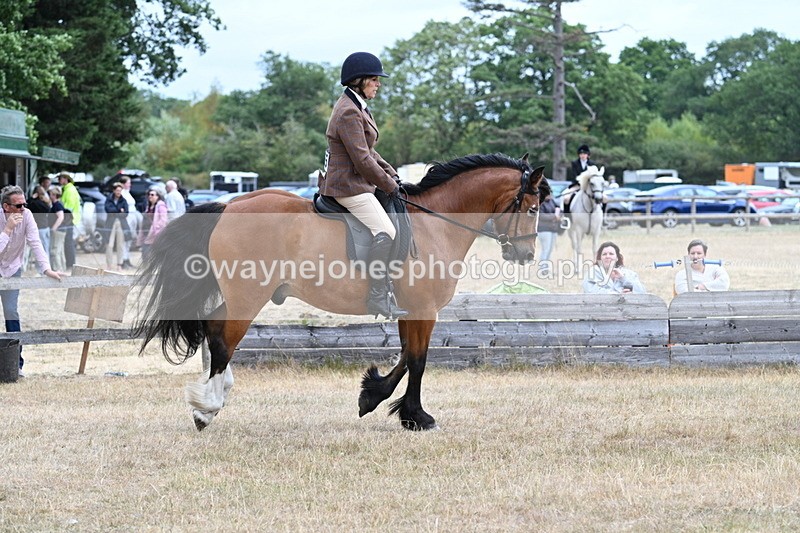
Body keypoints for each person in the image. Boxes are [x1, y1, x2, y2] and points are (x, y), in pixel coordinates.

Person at [318, 51, 407, 319]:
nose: (378, 84)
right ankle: (377, 296)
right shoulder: (348, 112)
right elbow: (362, 160)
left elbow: (370, 151)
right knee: (386, 230)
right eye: (374, 79)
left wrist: (393, 175)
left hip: (354, 181)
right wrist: (389, 186)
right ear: (358, 81)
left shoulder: (356, 106)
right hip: (347, 186)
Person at [0, 185, 63, 375]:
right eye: (18, 206)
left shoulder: (27, 215)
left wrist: (46, 269)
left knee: (11, 312)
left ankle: (16, 364)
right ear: (6, 207)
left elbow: (36, 242)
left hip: (12, 270)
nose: (23, 208)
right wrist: (8, 230)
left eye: (24, 204)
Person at [24, 185, 51, 272]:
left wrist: (32, 198)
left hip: (38, 228)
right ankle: (45, 268)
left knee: (39, 249)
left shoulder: (33, 203)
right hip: (45, 227)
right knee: (44, 249)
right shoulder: (45, 202)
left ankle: (41, 269)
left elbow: (25, 206)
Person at [563, 144, 596, 215]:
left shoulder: (592, 164)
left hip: (589, 186)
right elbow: (574, 176)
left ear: (588, 155)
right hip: (577, 185)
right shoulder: (575, 163)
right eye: (581, 154)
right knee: (566, 198)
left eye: (584, 154)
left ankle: (603, 217)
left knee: (604, 198)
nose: (583, 155)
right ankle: (566, 218)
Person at [104, 182, 130, 270]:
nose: (119, 192)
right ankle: (109, 264)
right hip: (110, 223)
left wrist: (117, 212)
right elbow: (108, 209)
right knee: (109, 244)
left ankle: (119, 264)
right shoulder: (109, 199)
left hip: (120, 223)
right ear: (114, 190)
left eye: (120, 190)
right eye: (117, 190)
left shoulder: (124, 200)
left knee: (120, 244)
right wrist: (119, 210)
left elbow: (126, 213)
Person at [57, 172, 81, 268]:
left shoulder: (70, 190)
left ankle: (70, 264)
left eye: (60, 178)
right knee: (68, 242)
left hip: (69, 219)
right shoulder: (67, 189)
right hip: (68, 219)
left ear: (65, 179)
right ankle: (69, 263)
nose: (59, 180)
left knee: (68, 243)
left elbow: (68, 207)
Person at [137, 186, 168, 260]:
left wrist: (156, 227)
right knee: (145, 250)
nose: (150, 196)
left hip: (155, 233)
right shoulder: (149, 206)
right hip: (146, 231)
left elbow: (163, 220)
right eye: (149, 195)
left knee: (152, 251)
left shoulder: (161, 206)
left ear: (158, 196)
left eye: (152, 195)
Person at [117, 176, 140, 269]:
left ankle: (127, 258)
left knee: (129, 239)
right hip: (127, 218)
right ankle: (123, 259)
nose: (129, 184)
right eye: (128, 183)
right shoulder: (121, 194)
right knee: (124, 239)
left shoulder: (127, 193)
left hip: (132, 217)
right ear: (123, 184)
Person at [536, 195, 561, 276]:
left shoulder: (552, 201)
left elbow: (559, 210)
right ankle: (542, 269)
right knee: (545, 250)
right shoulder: (539, 203)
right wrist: (554, 216)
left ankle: (546, 269)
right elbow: (541, 216)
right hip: (544, 230)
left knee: (549, 250)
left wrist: (560, 214)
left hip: (553, 229)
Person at [48, 186, 68, 273]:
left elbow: (61, 217)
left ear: (54, 195)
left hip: (58, 230)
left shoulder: (57, 205)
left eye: (51, 194)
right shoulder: (58, 204)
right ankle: (62, 269)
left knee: (55, 251)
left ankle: (58, 269)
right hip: (61, 230)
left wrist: (54, 228)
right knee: (60, 251)